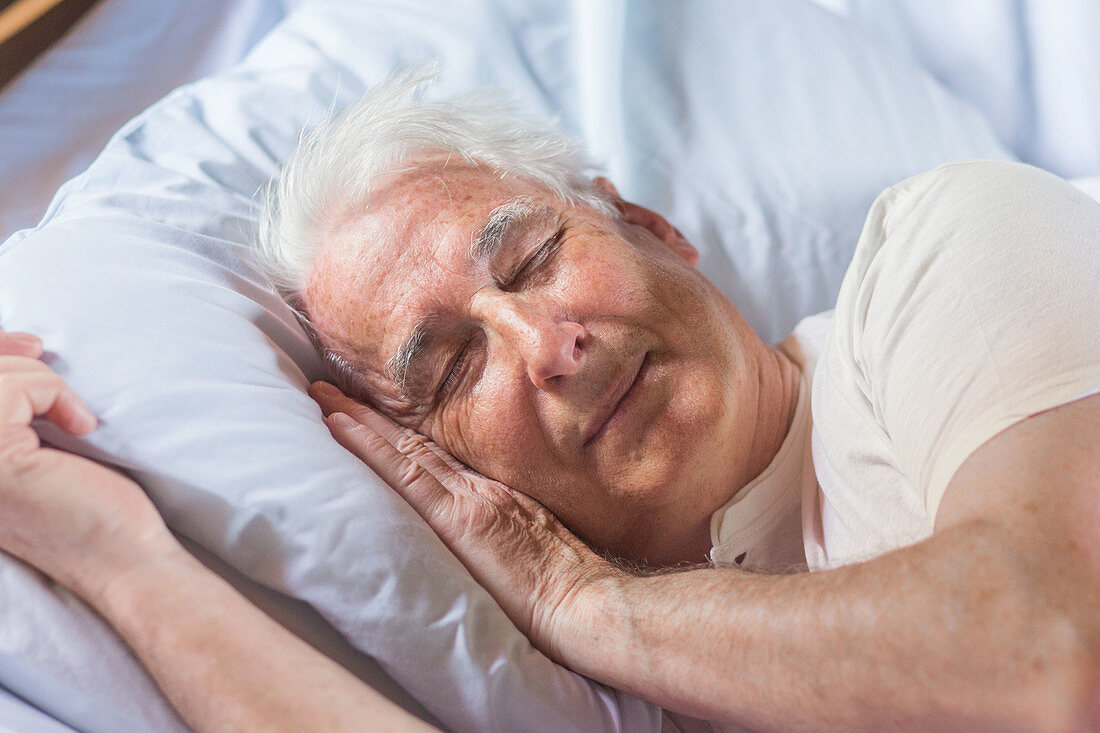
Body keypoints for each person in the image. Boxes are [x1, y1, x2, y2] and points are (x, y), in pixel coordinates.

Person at [1, 70, 1099, 731]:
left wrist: (585, 606)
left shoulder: (940, 254)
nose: (546, 348)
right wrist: (117, 562)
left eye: (528, 260)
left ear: (652, 230)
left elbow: (1045, 653)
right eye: (452, 369)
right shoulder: (637, 689)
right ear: (448, 474)